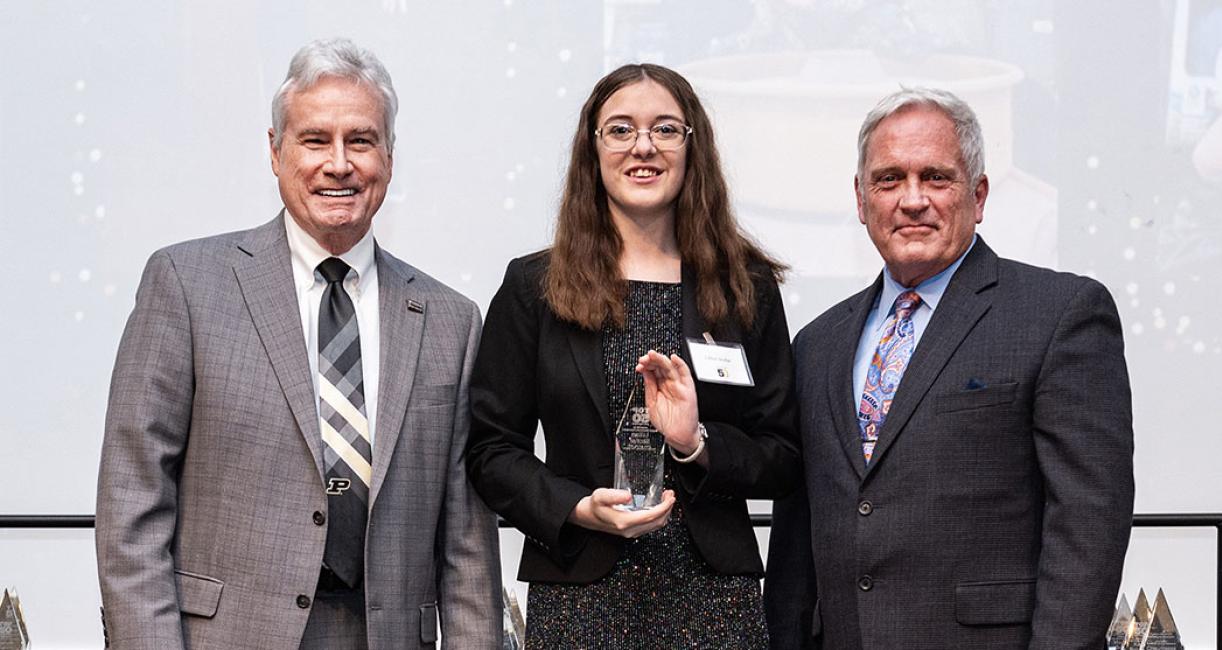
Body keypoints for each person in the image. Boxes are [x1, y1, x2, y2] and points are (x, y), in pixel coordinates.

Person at [95, 38, 500, 649]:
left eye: (360, 140)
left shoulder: (451, 320)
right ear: (275, 150)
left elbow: (467, 545)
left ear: (389, 157)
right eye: (315, 140)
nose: (338, 163)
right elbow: (133, 498)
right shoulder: (186, 283)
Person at [764, 87, 1135, 649]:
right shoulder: (818, 344)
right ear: (862, 200)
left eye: (935, 177)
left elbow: (1089, 522)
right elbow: (797, 539)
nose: (912, 200)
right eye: (889, 180)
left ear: (979, 195)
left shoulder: (1060, 314)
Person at [465, 63, 802, 648]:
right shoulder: (534, 287)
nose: (643, 146)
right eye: (619, 129)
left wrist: (697, 445)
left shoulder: (744, 286)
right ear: (592, 151)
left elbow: (784, 454)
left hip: (716, 602)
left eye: (665, 129)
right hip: (579, 597)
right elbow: (492, 450)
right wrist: (577, 507)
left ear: (692, 146)